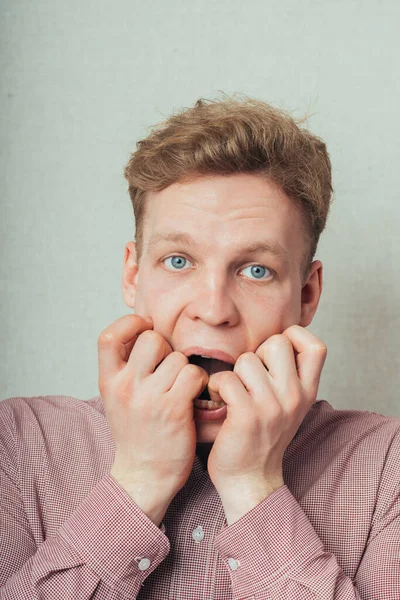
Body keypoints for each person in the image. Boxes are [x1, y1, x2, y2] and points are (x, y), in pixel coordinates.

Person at [0, 96, 399, 600]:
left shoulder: (389, 467)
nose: (213, 310)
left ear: (306, 295)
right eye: (178, 261)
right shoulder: (15, 446)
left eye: (257, 269)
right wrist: (137, 483)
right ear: (133, 273)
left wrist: (254, 486)